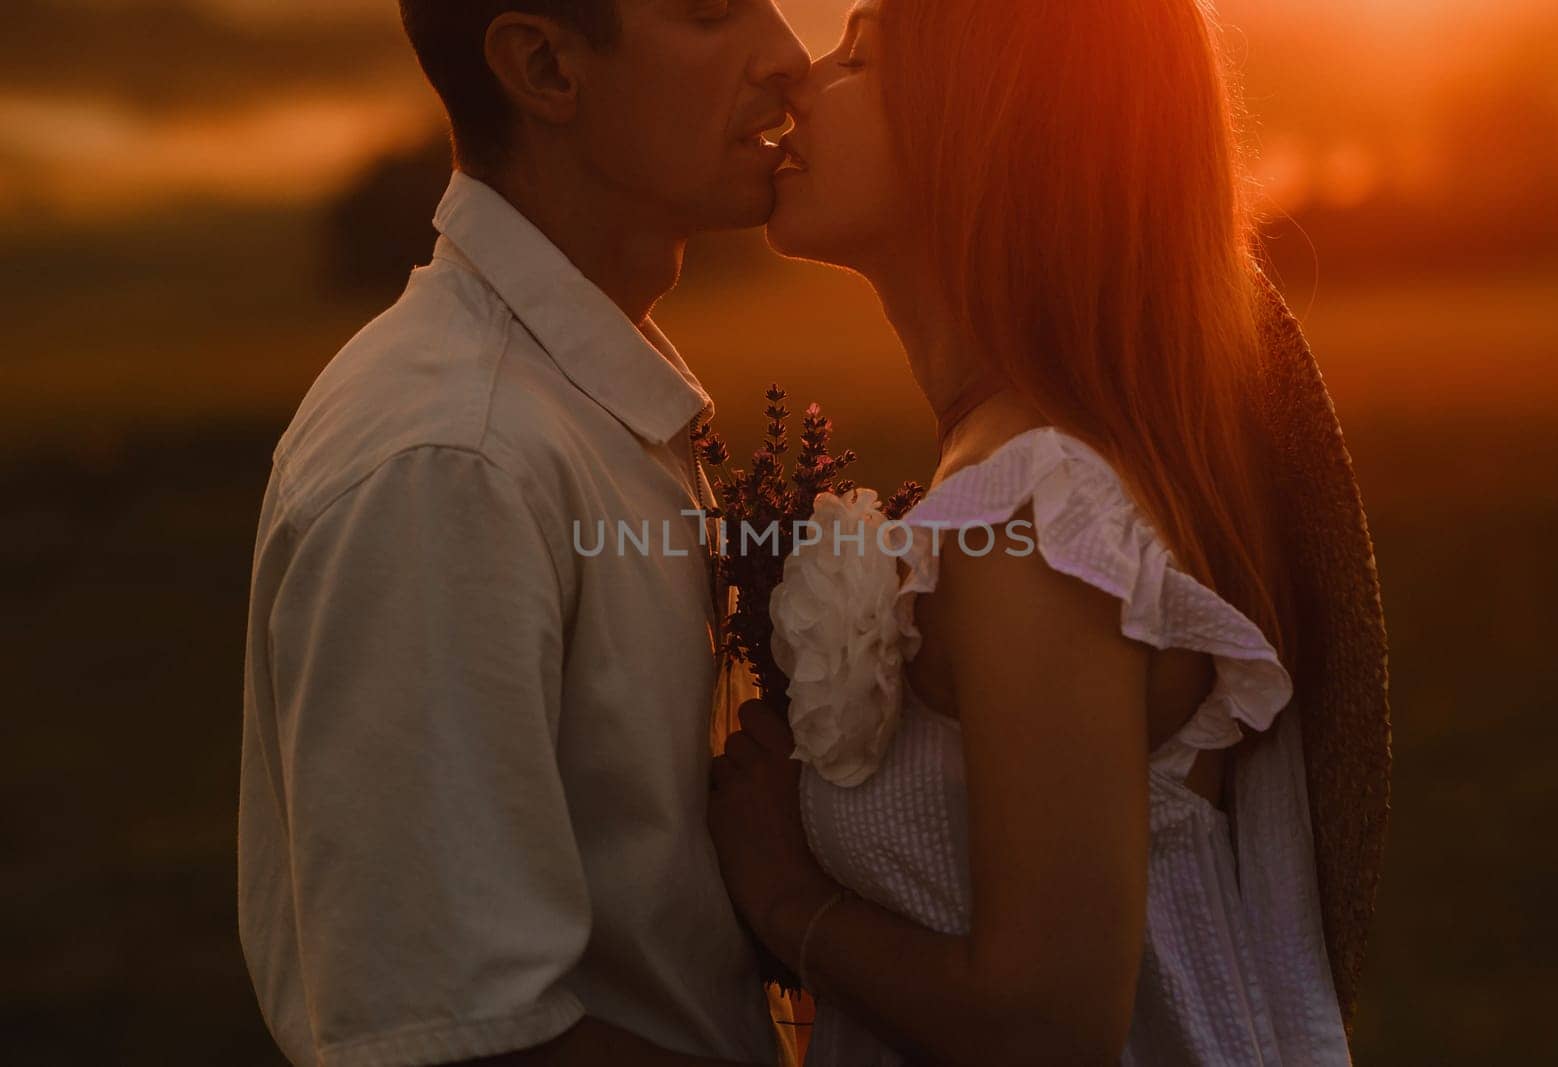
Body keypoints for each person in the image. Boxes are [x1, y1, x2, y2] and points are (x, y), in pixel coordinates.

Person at [708, 1, 1382, 1063]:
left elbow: (1046, 1023)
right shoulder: (1017, 470)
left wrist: (789, 898)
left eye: (860, 54)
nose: (801, 76)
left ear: (979, 129)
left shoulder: (1034, 512)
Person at [238, 2, 808, 1065]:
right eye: (712, 13)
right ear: (545, 66)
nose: (786, 55)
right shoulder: (454, 463)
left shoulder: (567, 405)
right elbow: (458, 1038)